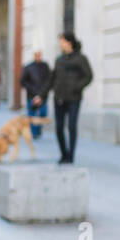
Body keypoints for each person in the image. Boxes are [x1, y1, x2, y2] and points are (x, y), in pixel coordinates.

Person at [38, 32, 94, 164]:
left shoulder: (81, 59)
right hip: (59, 98)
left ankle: (71, 155)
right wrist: (41, 95)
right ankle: (63, 153)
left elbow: (89, 76)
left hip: (74, 98)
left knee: (72, 126)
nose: (60, 44)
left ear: (69, 42)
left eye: (62, 41)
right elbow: (51, 79)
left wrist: (76, 87)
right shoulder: (59, 59)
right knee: (58, 127)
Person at [20, 50, 52, 140]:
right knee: (32, 114)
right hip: (31, 95)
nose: (38, 56)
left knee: (43, 113)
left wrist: (42, 93)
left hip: (43, 95)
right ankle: (33, 132)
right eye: (36, 55)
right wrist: (33, 91)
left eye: (39, 55)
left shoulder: (45, 66)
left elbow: (49, 79)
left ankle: (38, 129)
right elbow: (23, 81)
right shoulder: (28, 67)